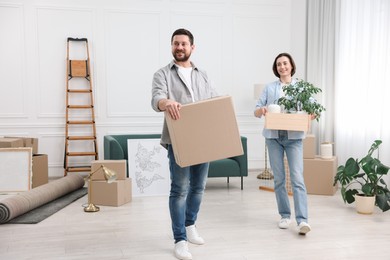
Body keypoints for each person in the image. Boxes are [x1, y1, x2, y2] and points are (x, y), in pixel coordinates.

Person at [151, 28, 218, 260]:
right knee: (179, 189)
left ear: (192, 47)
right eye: (175, 44)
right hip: (178, 140)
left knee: (198, 187)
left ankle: (190, 225)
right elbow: (156, 98)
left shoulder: (203, 75)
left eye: (183, 44)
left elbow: (213, 101)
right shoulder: (163, 74)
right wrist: (165, 102)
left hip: (203, 140)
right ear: (172, 46)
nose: (179, 47)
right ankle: (179, 239)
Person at [254, 52, 312, 235]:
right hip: (273, 138)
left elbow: (312, 109)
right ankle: (285, 216)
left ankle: (302, 220)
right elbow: (256, 110)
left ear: (291, 66)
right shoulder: (270, 88)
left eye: (285, 63)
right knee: (279, 179)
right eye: (279, 64)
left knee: (297, 179)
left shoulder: (301, 88)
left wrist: (309, 116)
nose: (282, 67)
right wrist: (261, 110)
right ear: (276, 68)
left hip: (294, 138)